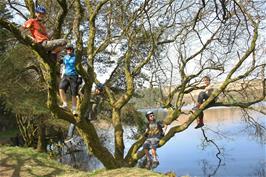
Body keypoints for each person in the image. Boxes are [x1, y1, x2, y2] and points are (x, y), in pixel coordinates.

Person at [59, 44, 79, 116]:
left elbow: (80, 67)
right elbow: (64, 66)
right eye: (67, 49)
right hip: (66, 75)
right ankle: (65, 104)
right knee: (61, 88)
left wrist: (79, 77)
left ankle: (74, 109)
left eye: (70, 49)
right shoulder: (65, 57)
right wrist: (62, 74)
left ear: (72, 50)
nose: (69, 50)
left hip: (74, 76)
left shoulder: (76, 57)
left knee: (74, 94)